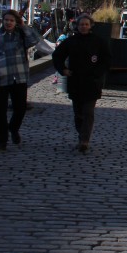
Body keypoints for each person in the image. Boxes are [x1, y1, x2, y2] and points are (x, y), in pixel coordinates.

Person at [0, 9, 40, 152]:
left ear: (16, 22)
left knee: (20, 109)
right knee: (0, 112)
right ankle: (2, 141)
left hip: (19, 77)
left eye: (12, 20)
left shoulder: (21, 35)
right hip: (1, 79)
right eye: (6, 20)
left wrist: (23, 26)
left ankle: (13, 128)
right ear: (3, 21)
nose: (8, 23)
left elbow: (35, 40)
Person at [52, 14, 112, 153]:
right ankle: (81, 134)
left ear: (91, 26)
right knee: (78, 113)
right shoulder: (71, 41)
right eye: (81, 25)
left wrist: (98, 73)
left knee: (88, 112)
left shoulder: (99, 41)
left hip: (92, 81)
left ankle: (85, 140)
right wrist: (63, 70)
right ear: (77, 26)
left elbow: (107, 59)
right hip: (76, 81)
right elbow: (57, 55)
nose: (83, 27)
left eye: (86, 24)